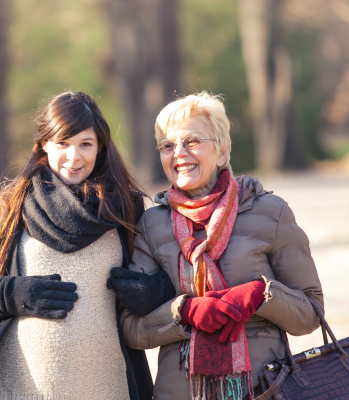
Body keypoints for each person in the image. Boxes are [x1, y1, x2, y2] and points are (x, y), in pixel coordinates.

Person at [0, 91, 176, 400]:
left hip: (110, 389)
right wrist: (11, 294)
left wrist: (152, 292)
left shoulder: (129, 209)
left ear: (100, 147)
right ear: (44, 145)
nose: (74, 157)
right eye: (63, 143)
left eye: (85, 144)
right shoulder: (5, 210)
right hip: (15, 390)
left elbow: (171, 286)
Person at [121, 92, 324, 400]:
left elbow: (311, 314)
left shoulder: (270, 211)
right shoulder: (151, 225)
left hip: (263, 389)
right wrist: (185, 311)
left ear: (222, 151)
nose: (178, 153)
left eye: (191, 141)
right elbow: (132, 329)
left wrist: (260, 295)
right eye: (168, 145)